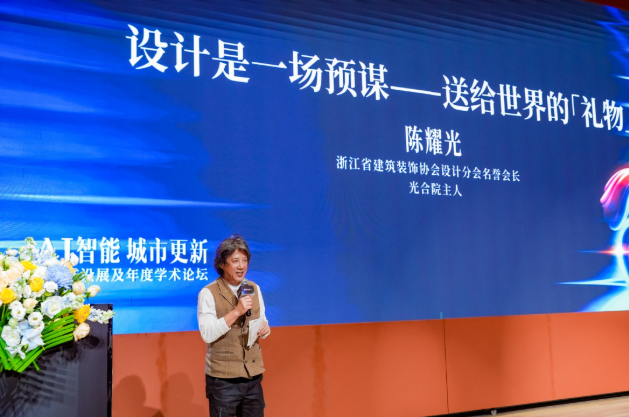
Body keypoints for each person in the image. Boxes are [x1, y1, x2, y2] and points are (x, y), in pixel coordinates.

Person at [197, 234, 271, 417]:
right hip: (223, 381)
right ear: (222, 264)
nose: (241, 266)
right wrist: (236, 312)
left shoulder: (253, 288)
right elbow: (207, 334)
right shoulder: (208, 293)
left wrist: (265, 329)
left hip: (252, 376)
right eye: (235, 261)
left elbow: (262, 319)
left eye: (244, 260)